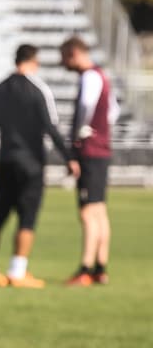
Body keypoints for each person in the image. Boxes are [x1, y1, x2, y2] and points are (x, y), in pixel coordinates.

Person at [0, 44, 78, 288]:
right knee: (27, 218)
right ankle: (17, 271)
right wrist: (69, 158)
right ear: (34, 61)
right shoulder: (38, 89)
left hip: (5, 161)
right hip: (31, 164)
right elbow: (51, 128)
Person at [60, 35, 120, 286]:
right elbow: (113, 111)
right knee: (99, 211)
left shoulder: (89, 76)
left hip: (90, 152)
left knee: (87, 212)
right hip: (102, 150)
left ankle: (85, 268)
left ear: (74, 54)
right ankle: (100, 268)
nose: (64, 64)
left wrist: (82, 131)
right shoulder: (102, 75)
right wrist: (102, 130)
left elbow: (86, 105)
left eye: (65, 58)